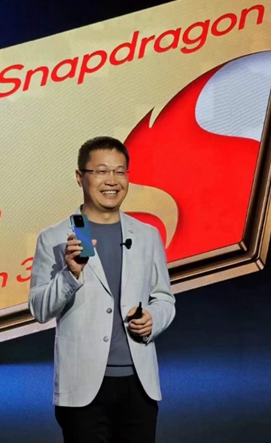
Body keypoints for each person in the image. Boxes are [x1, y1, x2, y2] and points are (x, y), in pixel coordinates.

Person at [28, 136, 176, 443]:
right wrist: (70, 274)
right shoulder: (56, 237)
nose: (112, 180)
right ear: (80, 177)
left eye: (120, 172)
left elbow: (164, 298)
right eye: (101, 171)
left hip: (138, 385)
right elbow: (39, 309)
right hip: (82, 388)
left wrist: (153, 319)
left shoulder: (147, 235)